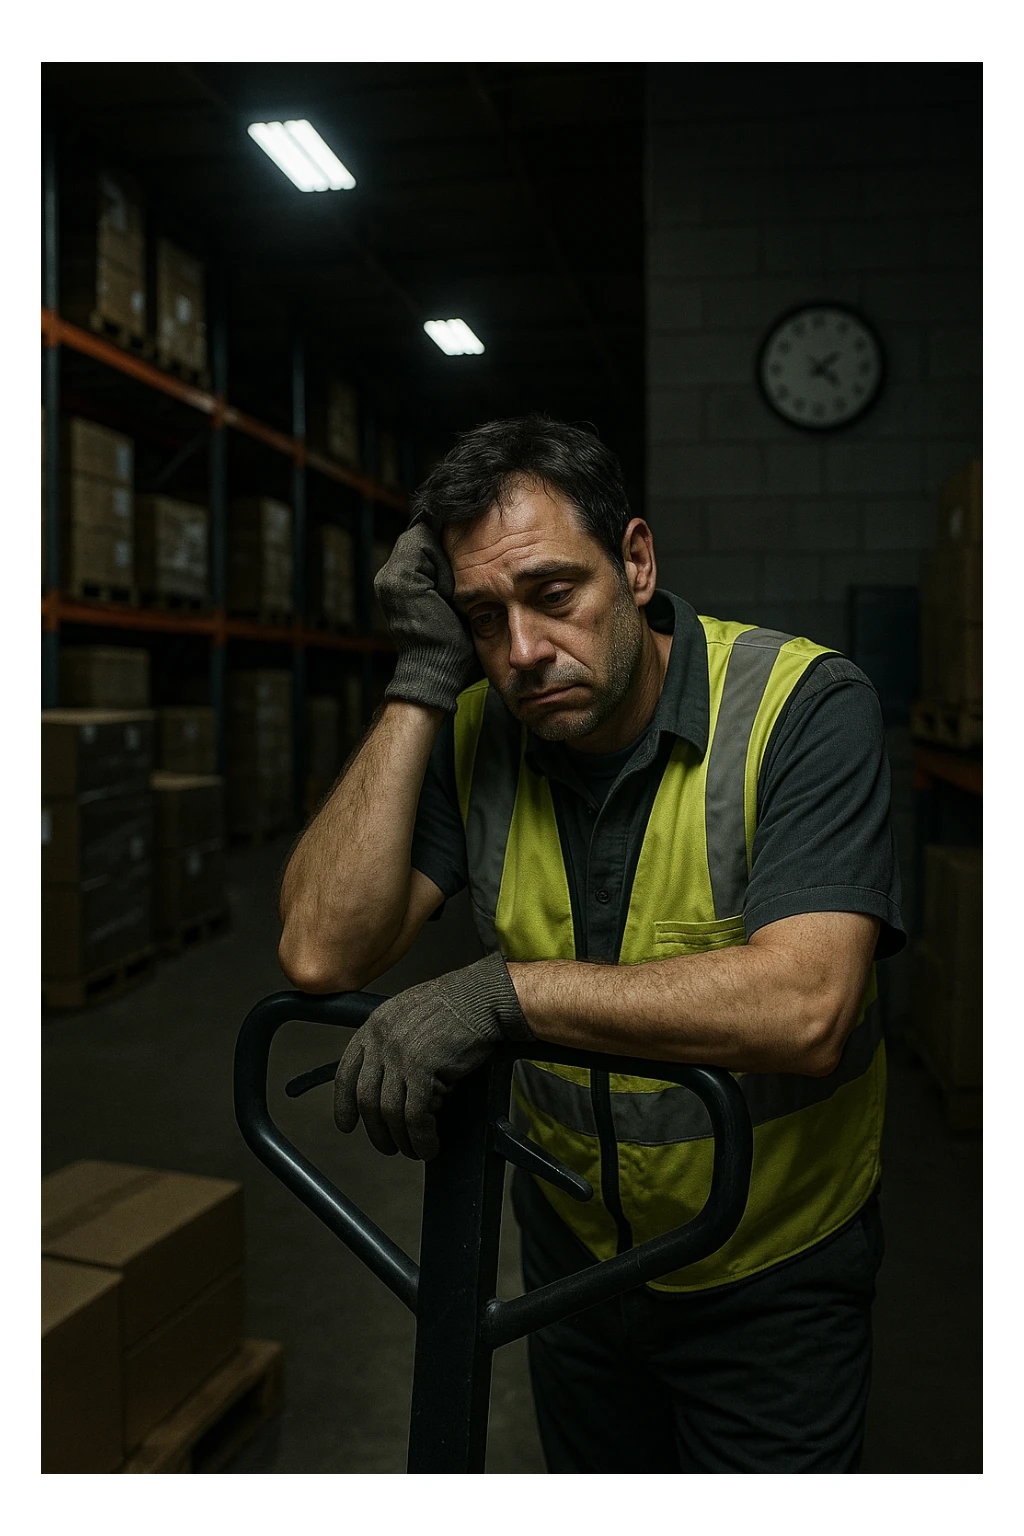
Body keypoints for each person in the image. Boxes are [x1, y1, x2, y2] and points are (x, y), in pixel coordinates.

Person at [278, 414, 904, 1474]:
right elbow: (320, 952)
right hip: (572, 1273)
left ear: (637, 560)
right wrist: (425, 678)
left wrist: (502, 996)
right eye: (482, 617)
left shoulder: (802, 708)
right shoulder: (480, 725)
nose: (521, 652)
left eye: (552, 595)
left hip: (767, 1279)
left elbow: (808, 1008)